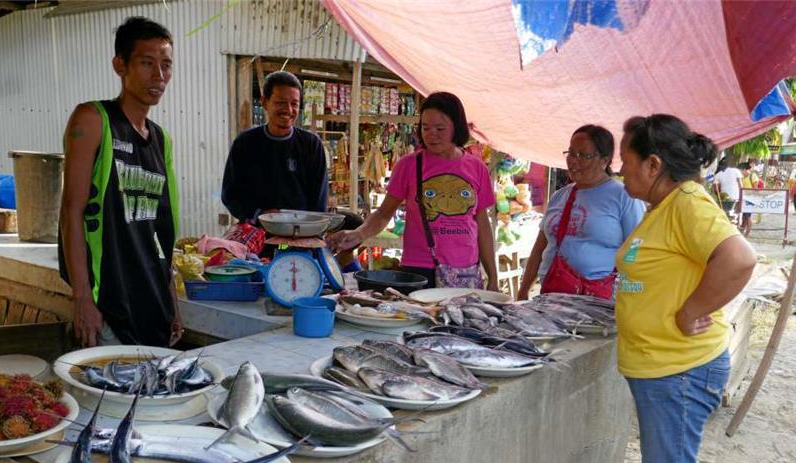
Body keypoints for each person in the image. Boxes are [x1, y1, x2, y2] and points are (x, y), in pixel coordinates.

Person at [617, 114, 756, 463]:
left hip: (678, 371)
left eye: (625, 159)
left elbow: (739, 258)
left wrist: (690, 310)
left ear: (653, 165)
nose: (619, 168)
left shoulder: (687, 203)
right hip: (662, 369)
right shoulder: (663, 207)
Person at [59, 17, 182, 348]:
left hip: (152, 301)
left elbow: (161, 229)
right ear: (120, 65)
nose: (159, 75)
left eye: (166, 65)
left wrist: (171, 300)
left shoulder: (161, 140)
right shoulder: (93, 119)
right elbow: (72, 212)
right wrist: (82, 298)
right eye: (147, 63)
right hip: (108, 301)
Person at [328, 92, 498, 290]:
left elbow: (483, 225)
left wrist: (493, 277)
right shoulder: (409, 165)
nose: (431, 134)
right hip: (419, 268)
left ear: (456, 127)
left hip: (465, 269)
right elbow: (384, 214)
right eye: (425, 127)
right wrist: (359, 234)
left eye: (440, 128)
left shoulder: (477, 168)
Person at [516, 125, 645, 300]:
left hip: (598, 301)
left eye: (583, 155)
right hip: (551, 295)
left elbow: (636, 252)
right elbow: (539, 249)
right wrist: (523, 291)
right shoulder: (560, 196)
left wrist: (629, 295)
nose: (573, 161)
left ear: (604, 160)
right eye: (570, 153)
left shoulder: (624, 197)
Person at [221, 71, 328, 222]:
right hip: (257, 232)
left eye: (294, 104)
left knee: (296, 247)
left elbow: (319, 202)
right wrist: (259, 215)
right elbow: (230, 194)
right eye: (281, 102)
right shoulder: (245, 143)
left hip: (300, 234)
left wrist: (310, 230)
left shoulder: (311, 144)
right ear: (265, 102)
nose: (289, 110)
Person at [737, 162, 754, 237]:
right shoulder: (743, 177)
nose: (740, 172)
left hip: (750, 199)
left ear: (744, 170)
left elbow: (756, 187)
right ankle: (744, 231)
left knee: (748, 216)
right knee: (745, 216)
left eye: (740, 170)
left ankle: (747, 233)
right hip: (745, 198)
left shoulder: (752, 176)